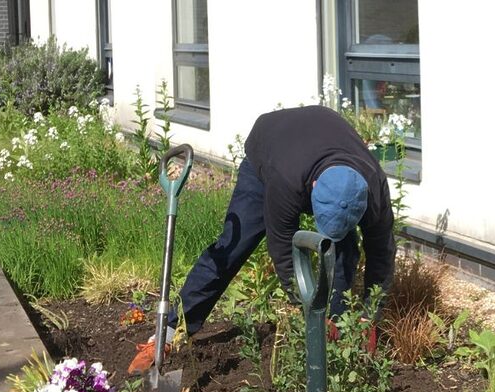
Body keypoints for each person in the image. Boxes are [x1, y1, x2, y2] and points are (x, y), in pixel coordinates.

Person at [127, 105, 397, 374]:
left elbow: (382, 254)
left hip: (316, 146)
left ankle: (338, 334)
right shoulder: (285, 179)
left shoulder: (373, 188)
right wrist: (309, 309)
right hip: (271, 148)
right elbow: (283, 250)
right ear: (314, 188)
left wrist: (369, 315)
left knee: (344, 251)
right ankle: (168, 331)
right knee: (233, 247)